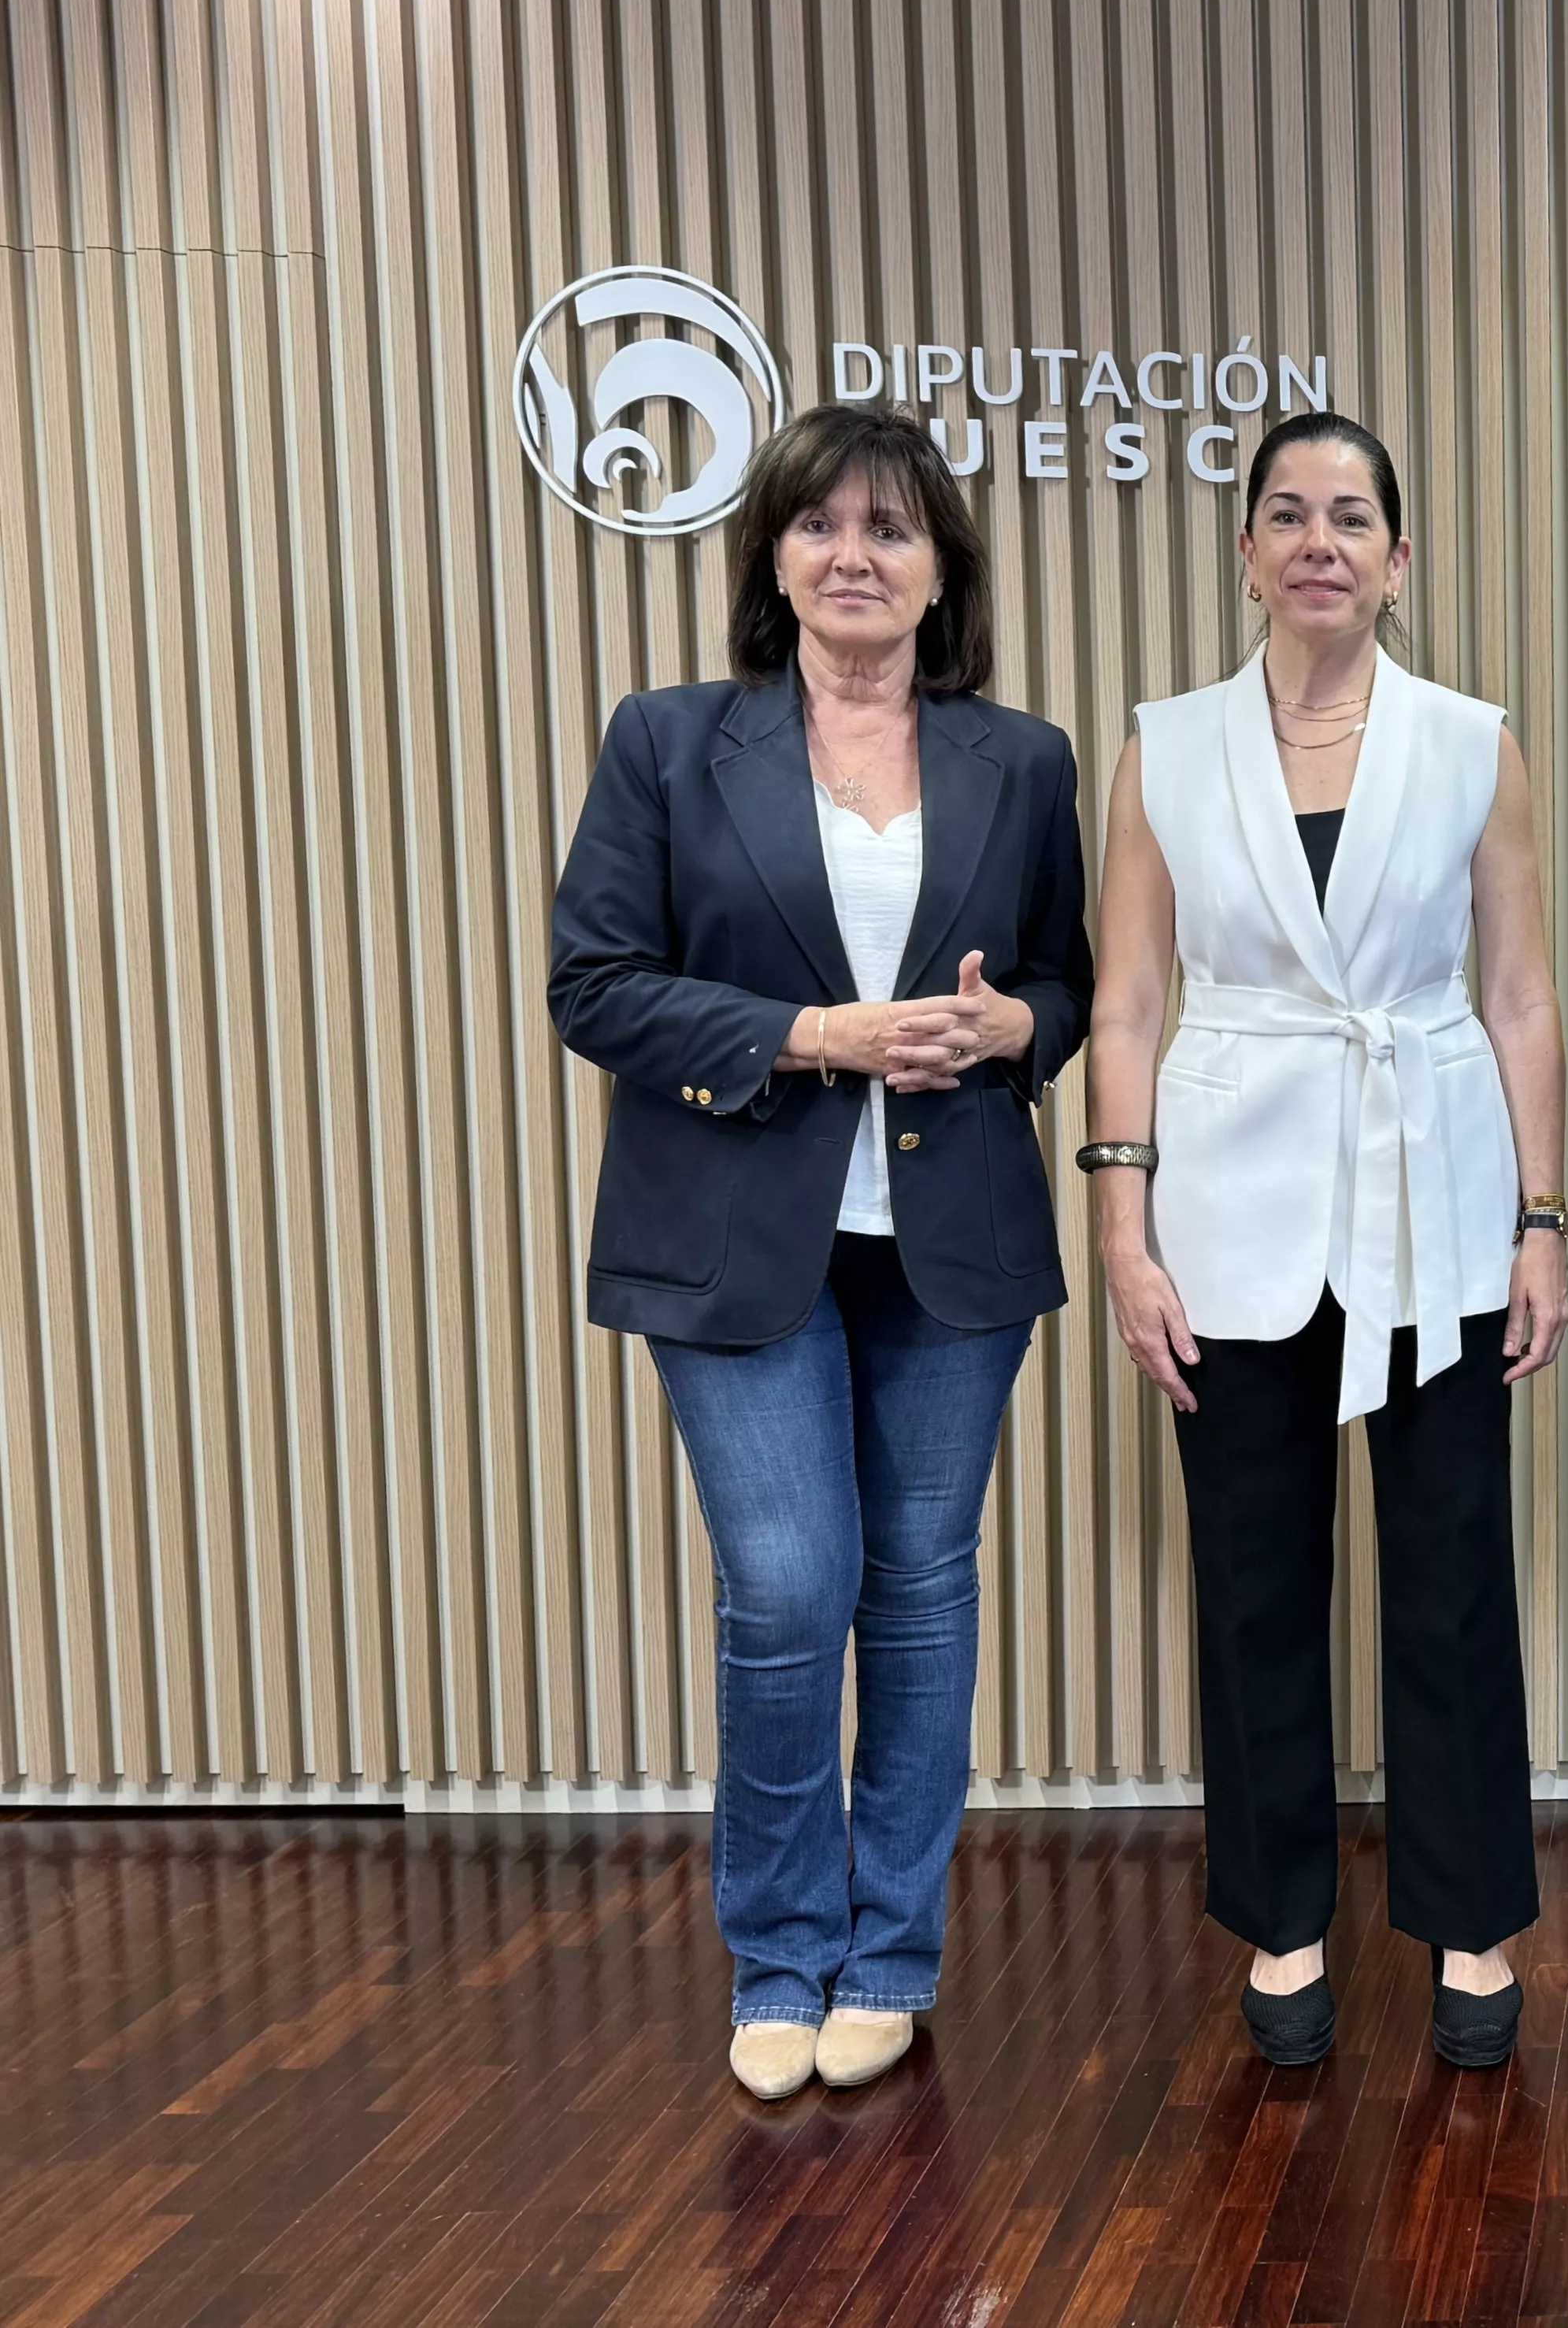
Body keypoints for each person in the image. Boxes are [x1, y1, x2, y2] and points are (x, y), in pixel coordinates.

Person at [548, 403, 1092, 2102]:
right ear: (772, 557)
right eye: (822, 527)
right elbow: (596, 983)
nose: (855, 556)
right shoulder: (665, 741)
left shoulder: (1026, 759)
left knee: (922, 1596)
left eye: (892, 529)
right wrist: (808, 1035)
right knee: (790, 1590)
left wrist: (1017, 1026)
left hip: (953, 1245)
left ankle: (891, 1953)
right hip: (732, 1237)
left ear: (944, 573)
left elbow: (1066, 989)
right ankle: (780, 1955)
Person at [1087, 411, 1568, 2069]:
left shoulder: (1471, 741)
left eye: (1351, 514)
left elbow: (1519, 995)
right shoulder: (1164, 743)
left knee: (1450, 1581)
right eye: (1286, 513)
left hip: (1433, 1197)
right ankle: (1284, 1920)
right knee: (1255, 1580)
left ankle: (1471, 1921)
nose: (1318, 540)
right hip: (1227, 1209)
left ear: (1397, 558)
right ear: (1245, 553)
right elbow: (1130, 998)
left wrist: (1544, 1222)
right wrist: (1123, 1233)